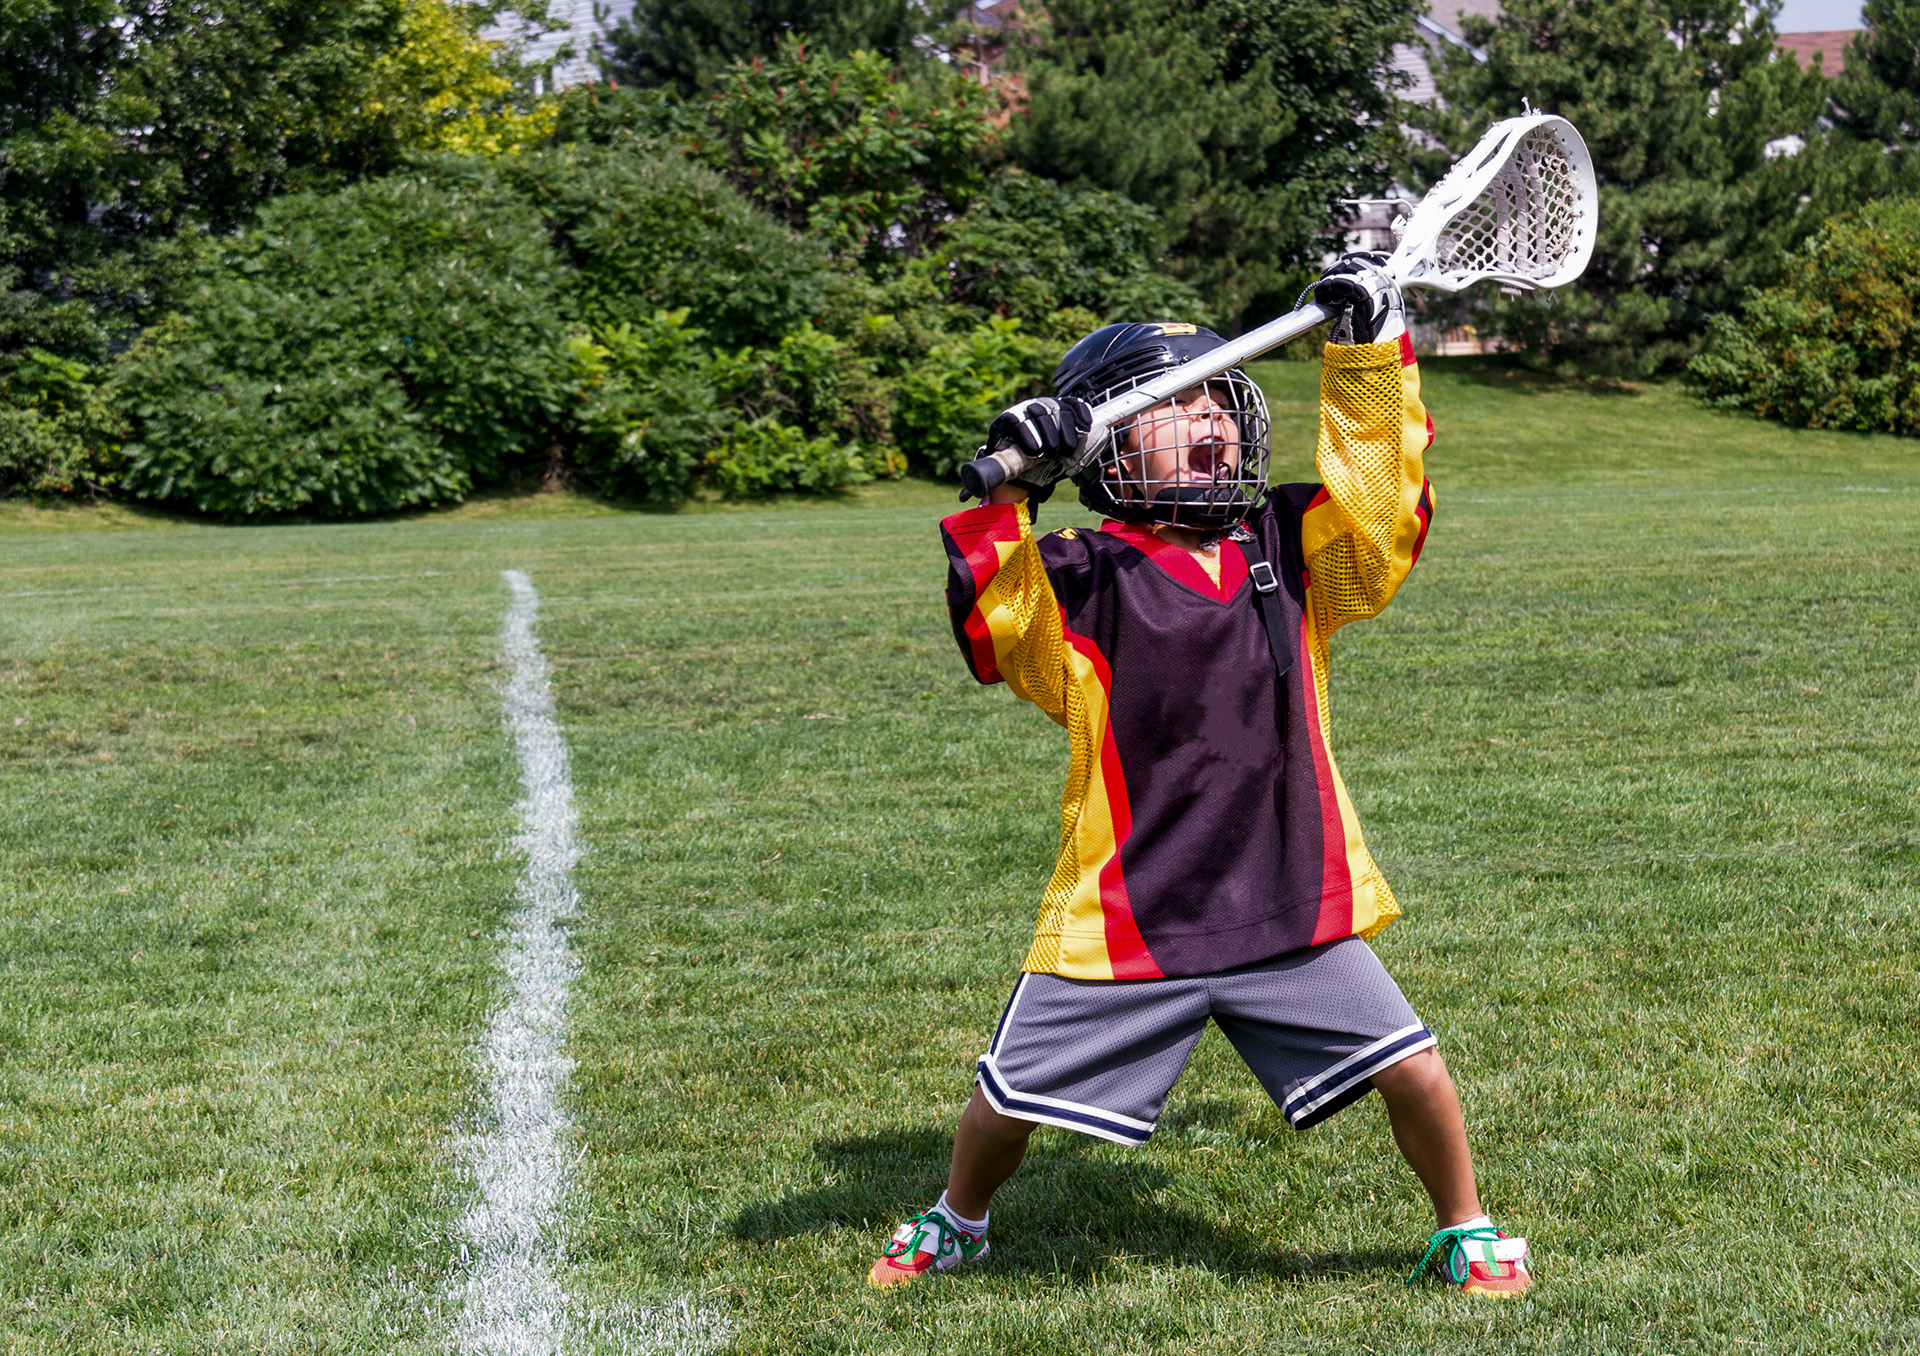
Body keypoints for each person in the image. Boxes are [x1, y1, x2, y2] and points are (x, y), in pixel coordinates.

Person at [866, 257, 1531, 1297]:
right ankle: (959, 1217)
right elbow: (1006, 635)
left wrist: (1366, 358)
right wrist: (1014, 481)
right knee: (1008, 1099)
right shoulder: (1083, 577)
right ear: (1111, 440)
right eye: (1176, 407)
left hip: (1287, 897)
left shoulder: (1291, 543)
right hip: (1132, 916)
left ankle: (1467, 1226)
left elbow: (1382, 511)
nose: (1211, 423)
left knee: (1415, 1063)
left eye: (1221, 400)